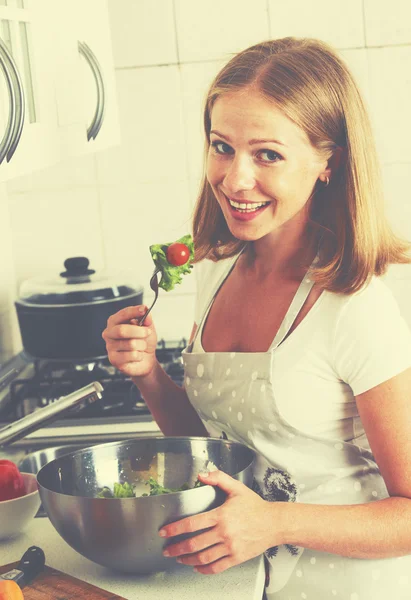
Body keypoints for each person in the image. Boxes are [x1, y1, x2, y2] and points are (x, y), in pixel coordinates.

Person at [102, 37, 411, 599]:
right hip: (243, 584)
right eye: (222, 147)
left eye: (267, 154)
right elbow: (214, 451)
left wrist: (275, 521)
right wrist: (149, 377)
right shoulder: (215, 271)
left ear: (327, 161)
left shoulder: (355, 307)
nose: (234, 178)